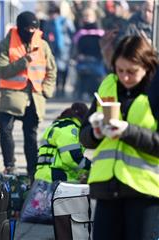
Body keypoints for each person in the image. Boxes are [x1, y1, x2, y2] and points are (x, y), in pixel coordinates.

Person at [79, 36, 159, 240]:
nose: (125, 77)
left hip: (144, 191)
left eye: (132, 72)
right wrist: (95, 133)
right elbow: (84, 135)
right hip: (107, 188)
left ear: (147, 66)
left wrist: (127, 131)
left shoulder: (155, 92)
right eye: (120, 70)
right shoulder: (108, 85)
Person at [0, 11, 57, 179]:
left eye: (34, 28)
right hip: (12, 97)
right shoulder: (7, 43)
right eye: (27, 27)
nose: (30, 31)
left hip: (35, 98)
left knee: (31, 136)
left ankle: (32, 172)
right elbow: (2, 70)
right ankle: (10, 166)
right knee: (5, 130)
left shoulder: (42, 45)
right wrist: (24, 61)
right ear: (19, 27)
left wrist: (47, 90)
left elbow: (51, 71)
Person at [34, 102, 91, 183]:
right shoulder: (70, 129)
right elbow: (71, 158)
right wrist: (91, 167)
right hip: (56, 178)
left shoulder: (56, 126)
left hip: (43, 176)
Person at [42, 3, 75, 97]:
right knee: (54, 69)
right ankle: (57, 89)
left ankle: (63, 88)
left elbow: (72, 34)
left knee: (64, 70)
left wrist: (72, 50)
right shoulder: (48, 23)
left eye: (54, 13)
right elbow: (45, 35)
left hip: (65, 49)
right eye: (51, 14)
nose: (53, 16)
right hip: (53, 50)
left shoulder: (66, 21)